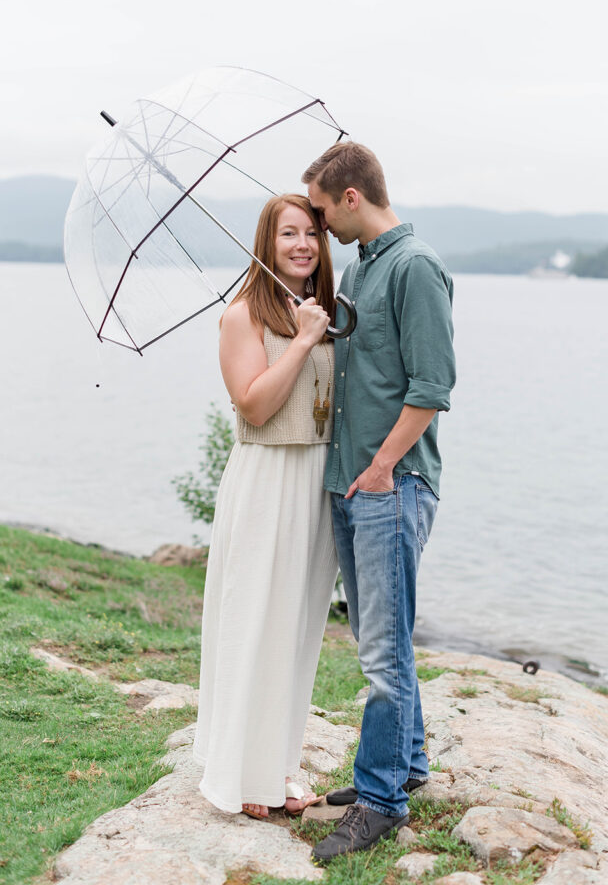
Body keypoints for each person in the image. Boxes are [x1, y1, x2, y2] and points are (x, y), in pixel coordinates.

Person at [302, 143, 456, 861]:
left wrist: (381, 470)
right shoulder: (363, 267)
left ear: (353, 196)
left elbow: (432, 388)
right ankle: (408, 764)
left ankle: (381, 800)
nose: (318, 222)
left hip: (388, 488)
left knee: (381, 656)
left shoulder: (415, 267)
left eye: (322, 209)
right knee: (381, 640)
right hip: (353, 484)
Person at [193, 193, 339, 819]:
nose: (303, 244)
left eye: (312, 233)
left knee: (298, 628)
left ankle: (278, 761)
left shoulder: (319, 309)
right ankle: (243, 776)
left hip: (314, 480)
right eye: (289, 234)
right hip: (265, 481)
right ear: (267, 241)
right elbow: (253, 404)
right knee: (254, 621)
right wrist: (305, 342)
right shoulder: (241, 315)